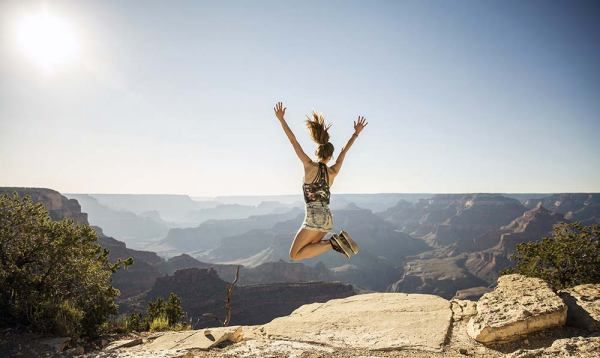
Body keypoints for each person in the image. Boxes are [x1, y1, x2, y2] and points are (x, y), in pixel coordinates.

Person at [273, 101, 368, 261]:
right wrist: (356, 133)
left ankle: (333, 243)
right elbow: (344, 151)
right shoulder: (333, 171)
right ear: (330, 156)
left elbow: (293, 141)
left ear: (318, 151)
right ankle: (334, 242)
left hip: (314, 217)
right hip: (327, 219)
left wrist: (281, 119)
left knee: (294, 255)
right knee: (309, 248)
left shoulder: (309, 166)